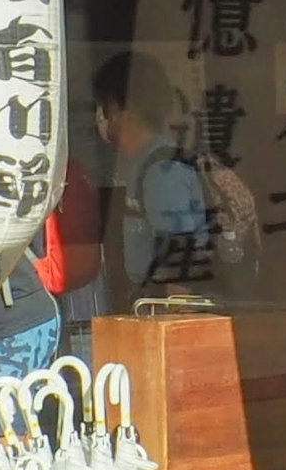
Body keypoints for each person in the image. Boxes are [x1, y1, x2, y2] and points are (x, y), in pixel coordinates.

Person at [91, 50, 219, 297]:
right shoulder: (143, 162)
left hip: (171, 309)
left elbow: (181, 263)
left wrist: (172, 315)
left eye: (102, 106)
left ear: (119, 109)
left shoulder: (162, 170)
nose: (99, 116)